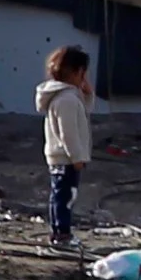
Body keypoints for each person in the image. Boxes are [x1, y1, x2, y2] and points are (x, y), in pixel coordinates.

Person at [36, 42, 94, 245]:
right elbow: (68, 133)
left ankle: (58, 232)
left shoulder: (66, 96)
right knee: (64, 197)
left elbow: (85, 111)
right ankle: (62, 234)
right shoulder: (66, 99)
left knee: (59, 195)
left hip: (59, 156)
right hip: (65, 158)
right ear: (78, 72)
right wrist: (77, 157)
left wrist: (87, 93)